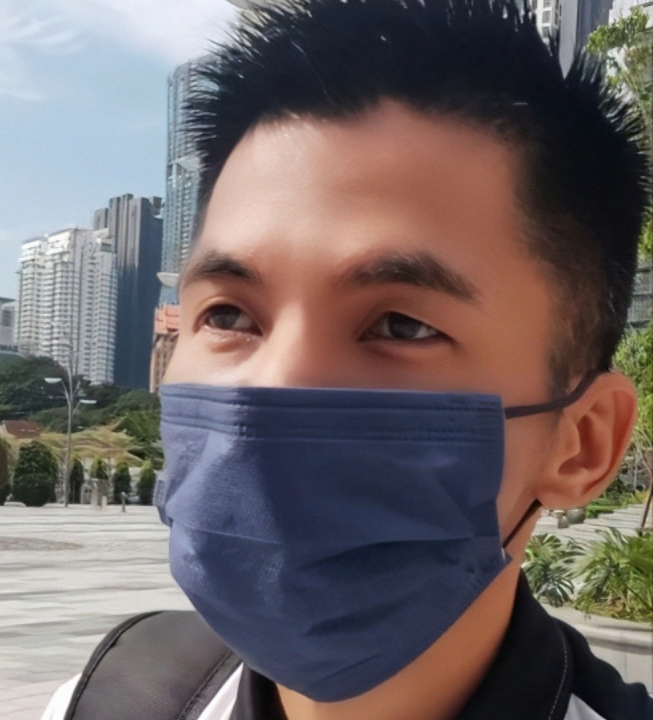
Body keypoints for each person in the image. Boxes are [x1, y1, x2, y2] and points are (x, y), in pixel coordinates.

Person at [42, 1, 652, 718]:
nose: (274, 386)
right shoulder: (108, 700)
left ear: (582, 444)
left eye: (402, 325)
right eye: (229, 315)